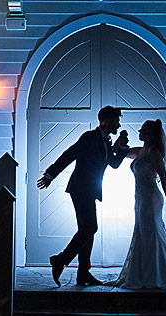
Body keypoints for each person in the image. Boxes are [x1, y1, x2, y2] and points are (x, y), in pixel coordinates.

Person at [36, 105, 130, 286]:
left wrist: (122, 145)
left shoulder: (107, 141)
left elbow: (114, 163)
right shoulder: (89, 137)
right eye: (116, 121)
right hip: (80, 189)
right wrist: (50, 175)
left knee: (87, 230)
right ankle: (61, 260)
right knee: (90, 228)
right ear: (106, 121)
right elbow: (69, 154)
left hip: (90, 190)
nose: (118, 124)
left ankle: (83, 273)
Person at [113, 119, 166, 289]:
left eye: (142, 130)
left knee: (152, 233)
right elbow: (123, 153)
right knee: (142, 234)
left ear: (150, 134)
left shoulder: (153, 152)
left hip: (151, 198)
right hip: (140, 198)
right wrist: (120, 142)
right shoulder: (142, 150)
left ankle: (159, 273)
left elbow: (163, 177)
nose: (139, 132)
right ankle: (143, 272)